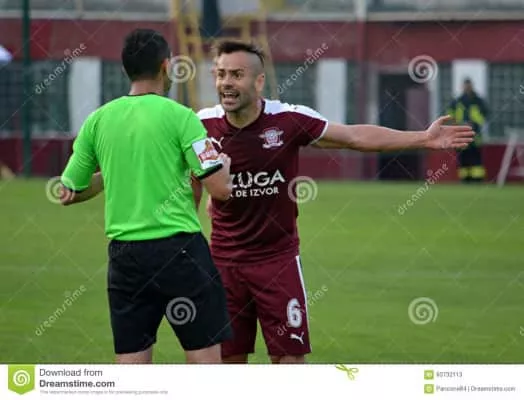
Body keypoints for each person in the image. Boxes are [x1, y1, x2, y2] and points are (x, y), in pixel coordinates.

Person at [194, 40, 475, 364]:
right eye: (221, 74)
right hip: (224, 265)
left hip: (277, 263)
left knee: (289, 361)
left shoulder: (288, 120)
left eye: (237, 74)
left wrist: (423, 138)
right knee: (227, 364)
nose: (226, 82)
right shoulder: (201, 126)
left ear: (258, 82)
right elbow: (188, 185)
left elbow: (354, 137)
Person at [58, 28, 233, 364]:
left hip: (125, 257)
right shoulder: (182, 117)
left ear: (126, 69)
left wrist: (112, 174)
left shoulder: (98, 120)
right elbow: (220, 189)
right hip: (180, 251)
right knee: (205, 362)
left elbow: (69, 192)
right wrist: (222, 166)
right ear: (166, 66)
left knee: (132, 366)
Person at [447, 78, 489, 183]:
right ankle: (464, 180)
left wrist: (474, 123)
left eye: (469, 85)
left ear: (472, 86)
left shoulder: (478, 101)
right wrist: (457, 124)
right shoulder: (457, 101)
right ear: (463, 86)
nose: (467, 88)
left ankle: (477, 179)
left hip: (475, 134)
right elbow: (450, 115)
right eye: (465, 85)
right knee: (462, 158)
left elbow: (485, 115)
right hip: (460, 133)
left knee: (475, 157)